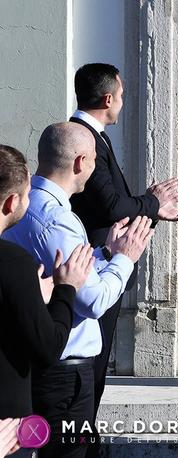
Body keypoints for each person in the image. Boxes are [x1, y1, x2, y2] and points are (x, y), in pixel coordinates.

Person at [2, 123, 154, 457]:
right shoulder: (56, 218)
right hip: (64, 374)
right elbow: (91, 300)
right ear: (80, 162)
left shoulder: (30, 204)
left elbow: (66, 271)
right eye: (95, 159)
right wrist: (125, 259)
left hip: (41, 367)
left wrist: (106, 253)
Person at [67, 63, 178, 437]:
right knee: (91, 362)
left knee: (96, 363)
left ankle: (84, 434)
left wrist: (151, 209)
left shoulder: (95, 136)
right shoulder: (85, 139)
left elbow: (115, 202)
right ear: (108, 99)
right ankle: (79, 439)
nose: (123, 102)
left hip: (101, 262)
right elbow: (111, 207)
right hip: (95, 265)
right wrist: (151, 203)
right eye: (121, 95)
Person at [0, 145, 92, 458]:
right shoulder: (13, 263)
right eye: (27, 194)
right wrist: (65, 289)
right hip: (7, 427)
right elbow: (48, 347)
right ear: (11, 203)